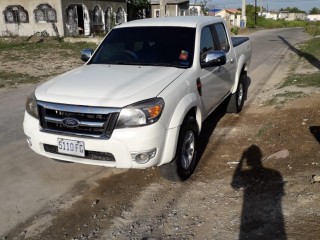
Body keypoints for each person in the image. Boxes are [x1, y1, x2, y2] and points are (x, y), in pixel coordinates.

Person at [231, 145, 286, 240]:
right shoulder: (275, 174)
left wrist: (240, 161)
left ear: (248, 160)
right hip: (270, 219)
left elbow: (234, 185)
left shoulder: (246, 174)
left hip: (251, 216)